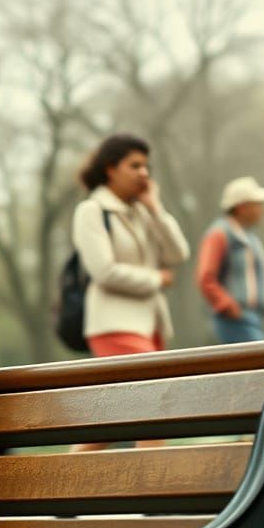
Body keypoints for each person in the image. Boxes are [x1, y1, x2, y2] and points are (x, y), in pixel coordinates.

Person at [72, 133, 190, 359]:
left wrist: (155, 208)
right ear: (110, 169)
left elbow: (178, 254)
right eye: (135, 166)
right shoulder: (91, 211)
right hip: (114, 325)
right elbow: (104, 272)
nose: (144, 173)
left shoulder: (142, 212)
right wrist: (157, 279)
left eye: (146, 167)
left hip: (152, 325)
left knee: (158, 392)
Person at [196, 175, 264, 344]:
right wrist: (228, 306)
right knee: (262, 360)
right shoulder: (219, 234)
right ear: (242, 207)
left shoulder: (247, 235)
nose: (262, 210)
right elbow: (206, 277)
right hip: (234, 319)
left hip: (251, 317)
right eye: (257, 204)